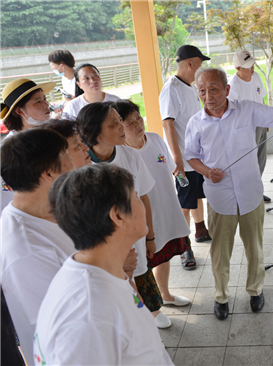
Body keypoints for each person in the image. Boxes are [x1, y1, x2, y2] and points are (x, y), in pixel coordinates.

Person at [185, 67, 273, 320]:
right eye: (202, 91)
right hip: (220, 199)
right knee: (220, 253)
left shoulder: (247, 109)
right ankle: (221, 297)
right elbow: (191, 157)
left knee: (255, 248)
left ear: (227, 89)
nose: (208, 96)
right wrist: (208, 172)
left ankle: (255, 290)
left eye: (214, 89)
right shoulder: (195, 123)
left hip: (250, 194)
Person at [34, 164, 174, 365]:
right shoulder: (89, 314)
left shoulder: (106, 272)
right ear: (117, 216)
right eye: (135, 196)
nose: (142, 201)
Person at [78, 102, 186, 328]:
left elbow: (144, 196)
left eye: (120, 121)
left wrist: (150, 237)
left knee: (140, 273)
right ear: (95, 132)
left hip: (135, 240)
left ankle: (152, 315)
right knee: (119, 295)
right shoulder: (81, 164)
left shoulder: (129, 155)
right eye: (114, 123)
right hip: (104, 246)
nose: (121, 127)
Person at [0, 129, 75, 363]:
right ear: (49, 173)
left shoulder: (55, 208)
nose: (75, 161)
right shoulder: (25, 249)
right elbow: (67, 320)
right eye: (67, 155)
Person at [115, 100, 196, 310]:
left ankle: (165, 294)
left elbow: (169, 168)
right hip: (144, 216)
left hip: (166, 206)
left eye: (138, 119)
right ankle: (153, 307)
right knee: (145, 261)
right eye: (129, 123)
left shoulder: (155, 139)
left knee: (164, 253)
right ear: (120, 127)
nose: (137, 125)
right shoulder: (122, 154)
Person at [159, 45, 212, 245]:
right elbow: (167, 123)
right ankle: (183, 244)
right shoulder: (171, 89)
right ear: (190, 63)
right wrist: (177, 159)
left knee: (197, 196)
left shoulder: (190, 87)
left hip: (196, 156)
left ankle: (200, 230)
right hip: (183, 159)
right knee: (185, 203)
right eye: (200, 64)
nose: (201, 68)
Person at [0, 78, 56, 212]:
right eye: (38, 101)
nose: (46, 104)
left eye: (44, 98)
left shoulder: (54, 136)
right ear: (19, 111)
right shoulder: (8, 151)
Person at [228, 49, 271, 203]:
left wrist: (265, 119)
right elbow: (232, 112)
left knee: (261, 159)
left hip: (260, 123)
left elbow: (261, 98)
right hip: (245, 129)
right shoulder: (233, 85)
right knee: (248, 162)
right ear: (238, 69)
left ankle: (256, 191)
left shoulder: (256, 76)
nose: (252, 67)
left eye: (253, 64)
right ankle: (246, 193)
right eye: (248, 66)